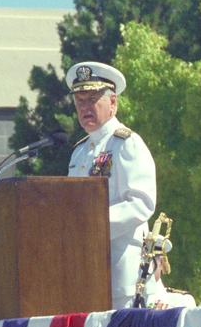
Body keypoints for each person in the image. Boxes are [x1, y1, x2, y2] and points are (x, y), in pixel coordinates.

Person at [65, 61, 157, 309]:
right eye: (79, 101)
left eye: (93, 99)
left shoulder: (127, 143)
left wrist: (92, 224)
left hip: (121, 272)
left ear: (113, 103)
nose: (85, 107)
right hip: (85, 272)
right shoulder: (80, 153)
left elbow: (141, 203)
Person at [141, 236, 196, 310]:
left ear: (160, 262)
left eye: (148, 261)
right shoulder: (124, 298)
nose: (141, 268)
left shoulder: (182, 304)